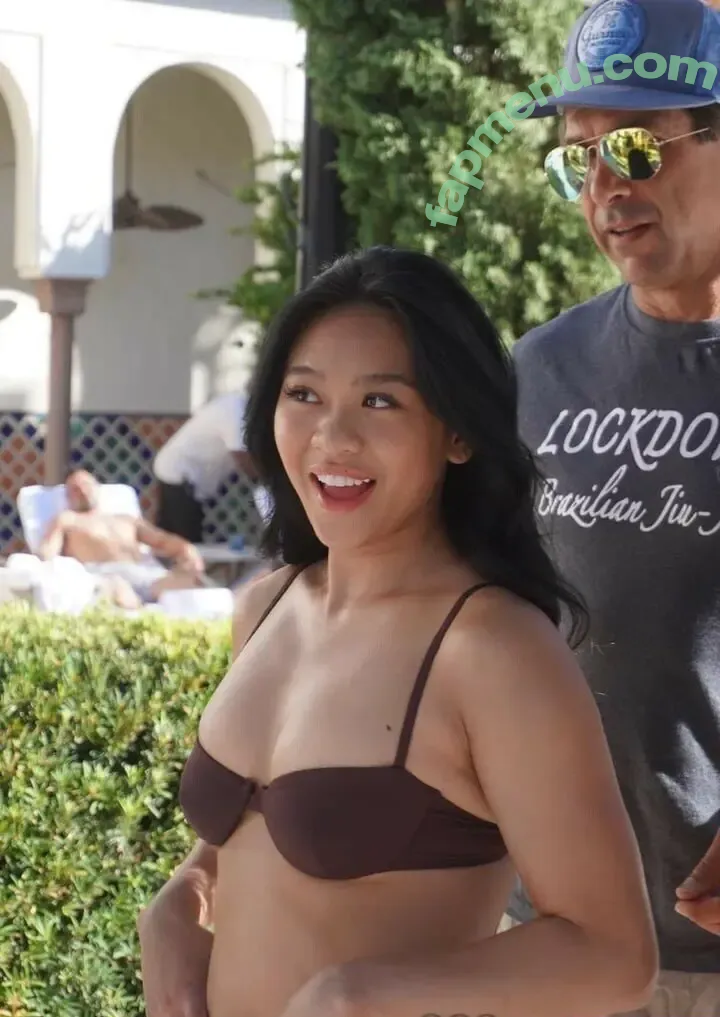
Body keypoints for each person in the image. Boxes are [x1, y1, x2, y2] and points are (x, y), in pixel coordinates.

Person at [137, 246, 657, 1017]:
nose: (332, 436)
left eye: (380, 401)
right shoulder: (268, 605)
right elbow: (249, 835)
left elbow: (615, 955)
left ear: (458, 432)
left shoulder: (493, 649)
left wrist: (362, 991)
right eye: (303, 393)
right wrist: (180, 900)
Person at [508, 0, 720, 1013]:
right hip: (551, 933)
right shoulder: (538, 369)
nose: (603, 189)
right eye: (577, 158)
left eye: (633, 146)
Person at [38, 469, 206, 607]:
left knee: (192, 586)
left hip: (144, 574)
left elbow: (162, 541)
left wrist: (188, 550)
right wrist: (49, 568)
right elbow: (48, 550)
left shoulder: (127, 520)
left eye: (86, 485)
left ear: (97, 488)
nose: (82, 491)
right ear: (68, 498)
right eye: (75, 489)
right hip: (103, 576)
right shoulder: (67, 519)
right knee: (122, 594)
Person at [153, 391, 262, 543]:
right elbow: (241, 455)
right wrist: (266, 479)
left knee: (170, 536)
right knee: (186, 539)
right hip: (179, 474)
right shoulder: (234, 410)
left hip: (183, 475)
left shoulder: (236, 405)